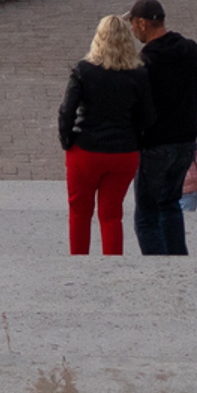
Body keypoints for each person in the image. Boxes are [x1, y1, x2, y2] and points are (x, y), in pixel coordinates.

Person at [59, 13, 150, 255]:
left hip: (86, 151)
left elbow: (66, 110)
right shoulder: (139, 74)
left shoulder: (83, 70)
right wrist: (135, 140)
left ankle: (79, 264)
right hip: (124, 153)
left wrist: (67, 140)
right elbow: (147, 117)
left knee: (79, 212)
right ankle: (113, 267)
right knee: (111, 215)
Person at [128, 0, 197, 257]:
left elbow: (140, 106)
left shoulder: (146, 60)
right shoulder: (191, 49)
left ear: (142, 23)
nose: (133, 30)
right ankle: (178, 266)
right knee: (171, 205)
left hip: (155, 145)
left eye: (133, 25)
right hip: (186, 142)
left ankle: (158, 271)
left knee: (146, 217)